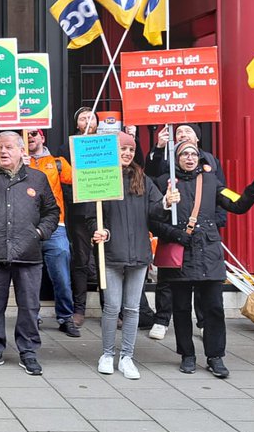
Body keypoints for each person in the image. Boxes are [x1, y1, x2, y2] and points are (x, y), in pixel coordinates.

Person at [150, 142, 254, 379]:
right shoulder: (164, 182)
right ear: (177, 159)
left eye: (194, 154)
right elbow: (152, 218)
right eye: (184, 154)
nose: (190, 157)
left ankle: (215, 356)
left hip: (209, 253)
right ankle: (187, 355)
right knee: (181, 308)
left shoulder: (212, 181)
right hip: (180, 253)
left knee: (214, 308)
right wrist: (175, 233)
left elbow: (238, 204)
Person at [85, 132, 181, 380]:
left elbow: (155, 212)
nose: (126, 154)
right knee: (112, 308)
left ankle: (127, 356)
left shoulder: (143, 179)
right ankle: (107, 354)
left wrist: (167, 203)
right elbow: (91, 215)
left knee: (132, 309)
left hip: (138, 253)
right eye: (121, 149)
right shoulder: (99, 178)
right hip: (111, 253)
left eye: (130, 150)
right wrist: (99, 229)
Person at [0, 131, 59, 375]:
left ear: (21, 151)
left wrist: (38, 233)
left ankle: (28, 352)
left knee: (29, 306)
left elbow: (52, 212)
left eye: (8, 147)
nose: (3, 152)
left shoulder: (37, 179)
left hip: (28, 254)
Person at [142, 124, 227, 340]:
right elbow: (149, 180)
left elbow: (219, 193)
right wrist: (158, 149)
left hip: (202, 232)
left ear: (197, 140)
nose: (182, 135)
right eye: (178, 132)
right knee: (168, 278)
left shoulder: (210, 161)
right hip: (172, 229)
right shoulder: (166, 159)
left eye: (187, 132)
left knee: (204, 279)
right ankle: (162, 319)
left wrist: (216, 219)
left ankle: (203, 321)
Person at [25, 129, 80, 337]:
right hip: (27, 226)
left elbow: (78, 179)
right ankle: (32, 317)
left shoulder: (57, 162)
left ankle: (66, 317)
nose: (30, 137)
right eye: (26, 134)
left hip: (56, 226)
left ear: (42, 137)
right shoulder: (19, 160)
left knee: (62, 277)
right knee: (29, 277)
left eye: (34, 134)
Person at [67, 107, 99, 321]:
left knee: (105, 260)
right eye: (82, 118)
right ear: (77, 123)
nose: (87, 120)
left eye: (91, 117)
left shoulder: (108, 142)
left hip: (103, 209)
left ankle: (111, 309)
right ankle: (79, 309)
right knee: (80, 260)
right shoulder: (68, 145)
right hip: (79, 211)